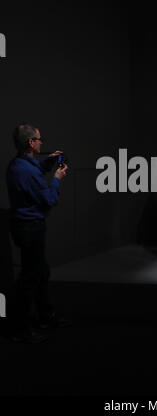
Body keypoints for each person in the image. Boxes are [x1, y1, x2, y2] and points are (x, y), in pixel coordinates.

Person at [6, 123, 69, 343]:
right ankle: (19, 328)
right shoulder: (27, 171)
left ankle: (44, 317)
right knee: (30, 277)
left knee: (40, 272)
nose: (42, 142)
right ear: (31, 143)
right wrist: (57, 179)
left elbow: (34, 172)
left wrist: (48, 162)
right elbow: (48, 199)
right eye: (39, 139)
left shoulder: (18, 165)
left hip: (24, 227)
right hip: (30, 228)